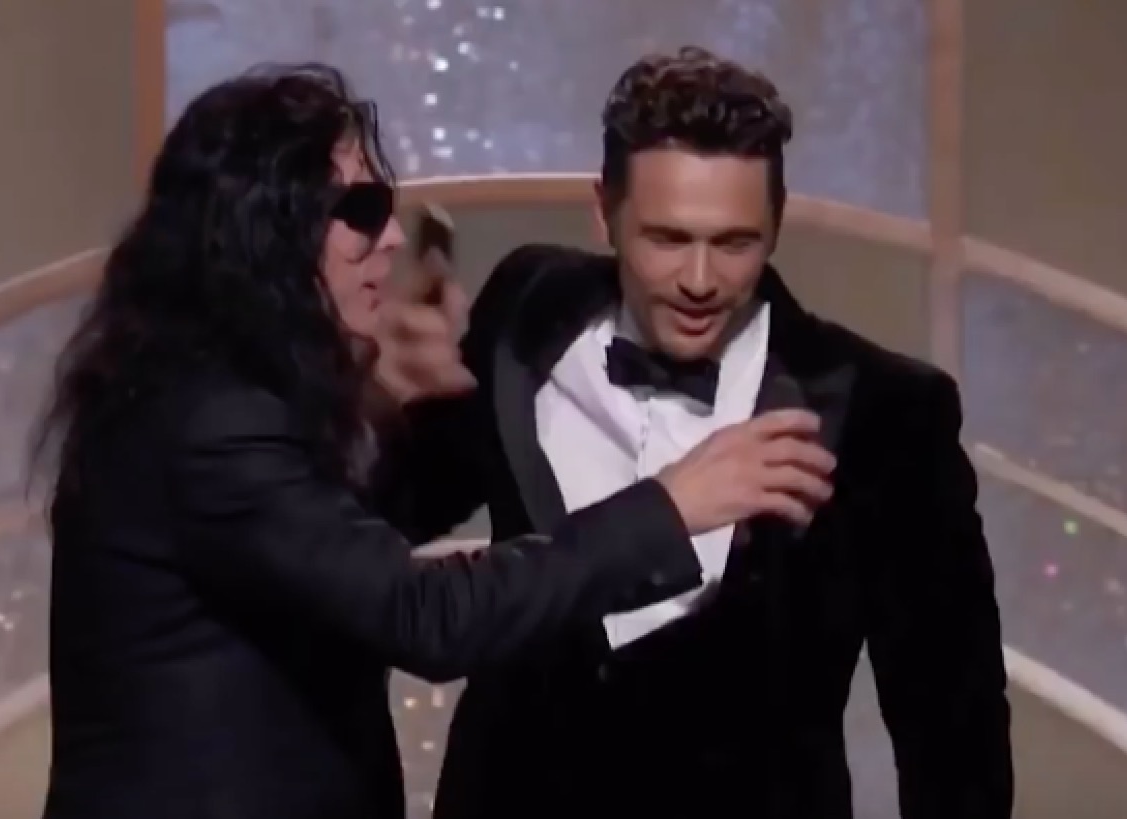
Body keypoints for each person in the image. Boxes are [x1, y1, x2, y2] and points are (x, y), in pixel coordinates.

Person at [32, 63, 834, 819]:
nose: (389, 239)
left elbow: (326, 547)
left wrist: (385, 403)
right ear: (265, 229)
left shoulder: (219, 388)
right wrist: (671, 505)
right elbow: (425, 615)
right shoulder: (207, 419)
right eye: (359, 211)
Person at [389, 48, 1014, 818]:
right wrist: (378, 396)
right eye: (667, 238)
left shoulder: (887, 414)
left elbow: (953, 733)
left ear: (776, 225)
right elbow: (394, 511)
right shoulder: (527, 307)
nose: (699, 280)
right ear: (603, 211)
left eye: (734, 243)